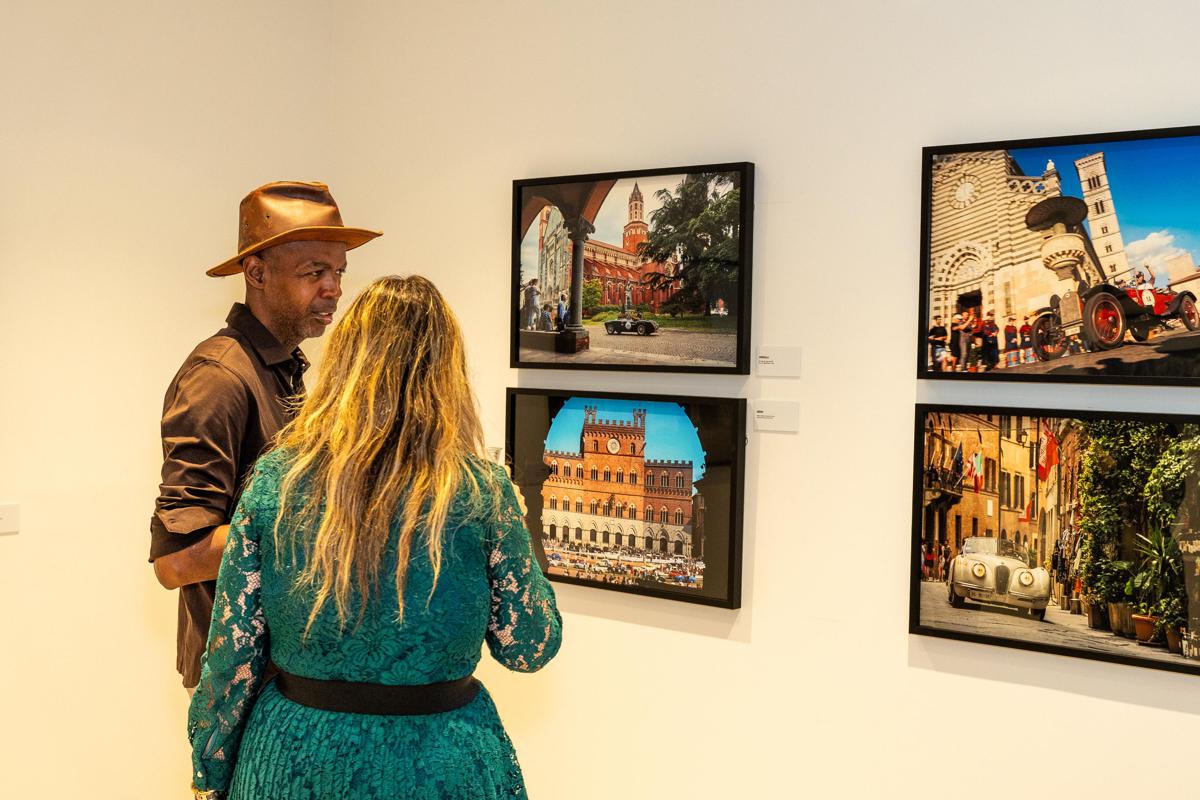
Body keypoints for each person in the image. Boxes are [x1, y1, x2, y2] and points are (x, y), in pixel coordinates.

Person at [187, 275, 562, 800]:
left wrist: (209, 769)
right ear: (446, 372)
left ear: (345, 364)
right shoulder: (481, 492)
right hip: (443, 759)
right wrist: (516, 526)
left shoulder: (277, 482)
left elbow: (233, 656)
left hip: (297, 757)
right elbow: (529, 645)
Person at [150, 181, 380, 693]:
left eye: (338, 271)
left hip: (284, 674)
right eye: (314, 272)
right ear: (255, 272)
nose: (334, 289)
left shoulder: (283, 368)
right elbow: (175, 562)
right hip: (239, 685)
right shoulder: (219, 378)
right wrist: (333, 525)